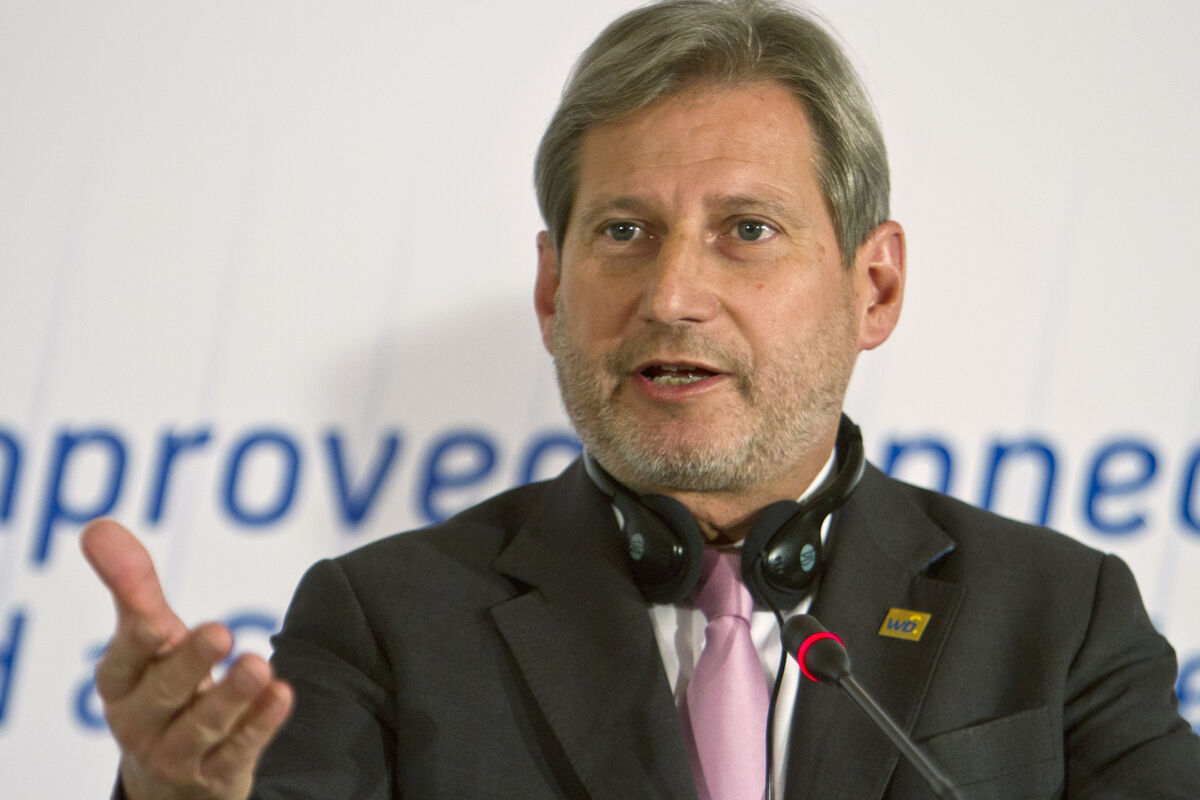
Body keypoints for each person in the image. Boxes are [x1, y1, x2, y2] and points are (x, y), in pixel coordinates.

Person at [82, 1, 1200, 798]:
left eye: (747, 230)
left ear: (875, 286)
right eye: (624, 231)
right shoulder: (385, 622)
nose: (671, 294)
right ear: (552, 288)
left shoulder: (1057, 617)